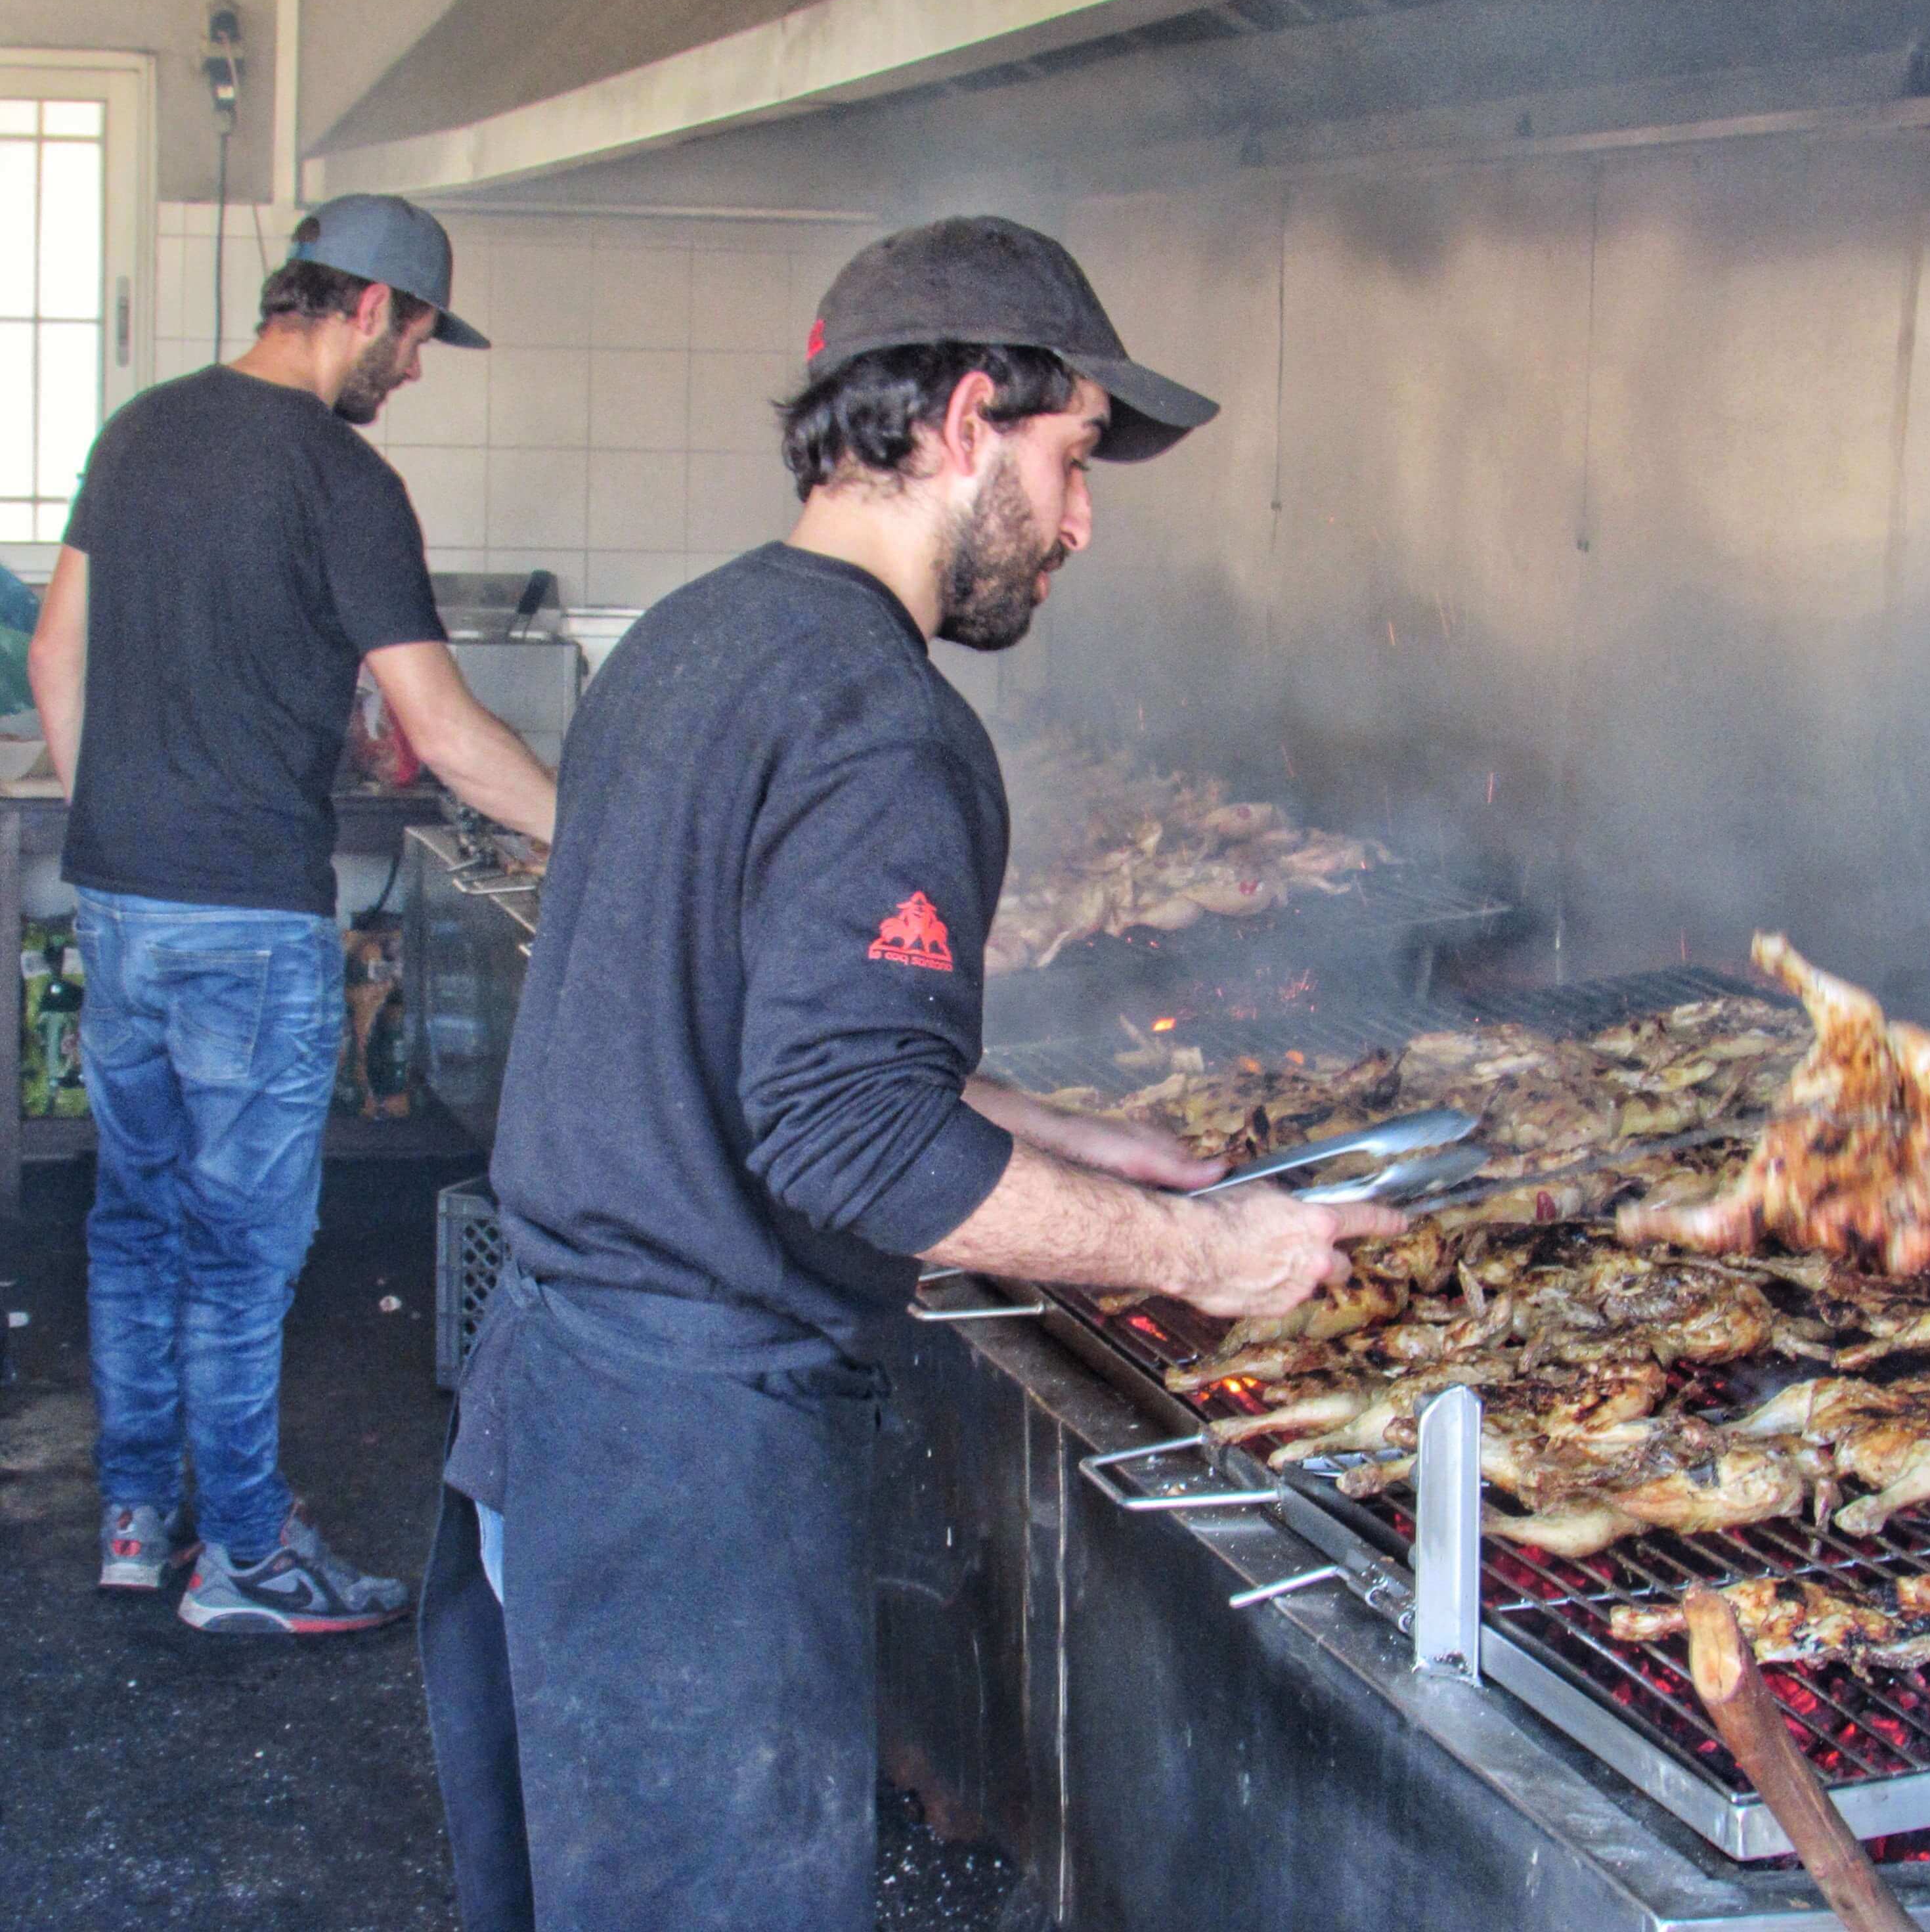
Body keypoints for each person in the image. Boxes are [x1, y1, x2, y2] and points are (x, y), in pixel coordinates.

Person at [420, 215, 1403, 1932]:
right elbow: (842, 1142)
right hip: (685, 1479)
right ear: (963, 420)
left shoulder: (692, 638)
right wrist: (1204, 1256)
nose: (1083, 523)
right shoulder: (883, 722)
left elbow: (731, 1028)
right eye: (1075, 457)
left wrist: (1068, 1131)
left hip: (549, 1422)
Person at [28, 193, 558, 1635]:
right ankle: (248, 1556)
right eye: (426, 339)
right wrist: (607, 838)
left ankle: (138, 1521)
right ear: (375, 308)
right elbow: (441, 731)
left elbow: (58, 651)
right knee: (241, 1251)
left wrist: (120, 825)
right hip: (246, 925)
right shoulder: (341, 479)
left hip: (122, 902)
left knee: (136, 1222)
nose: (421, 373)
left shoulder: (139, 429)